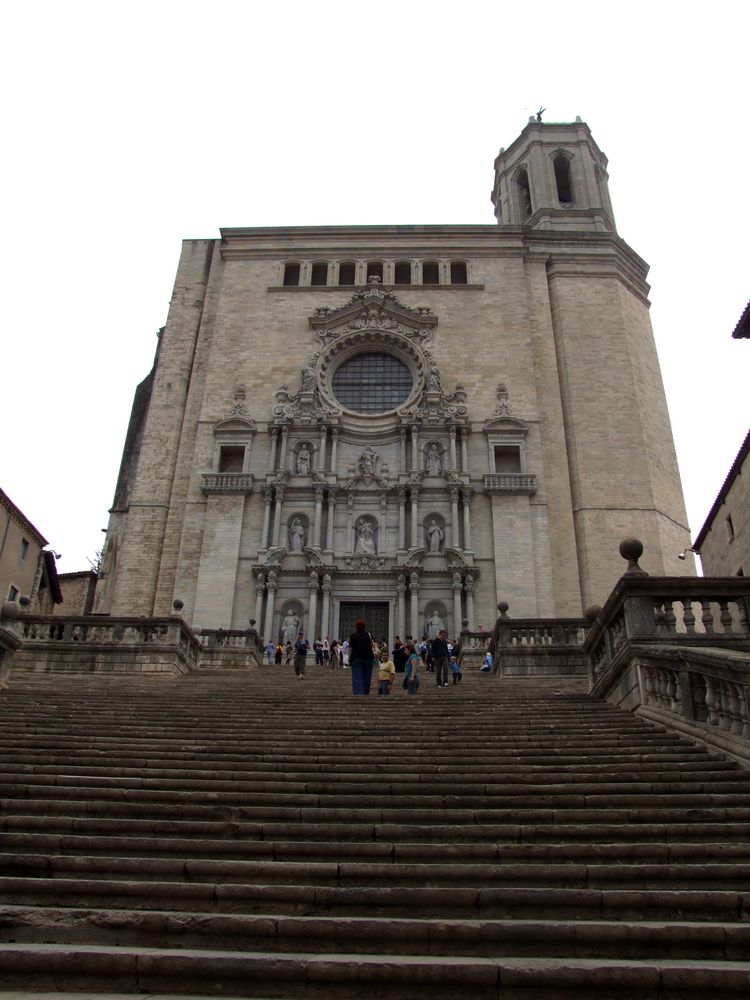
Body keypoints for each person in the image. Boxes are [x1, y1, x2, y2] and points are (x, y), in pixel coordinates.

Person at [348, 618, 375, 696]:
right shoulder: (368, 635)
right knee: (367, 677)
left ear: (356, 627)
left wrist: (349, 659)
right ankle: (365, 693)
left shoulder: (353, 636)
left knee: (357, 677)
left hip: (357, 658)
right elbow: (372, 646)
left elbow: (351, 649)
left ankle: (359, 694)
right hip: (368, 658)